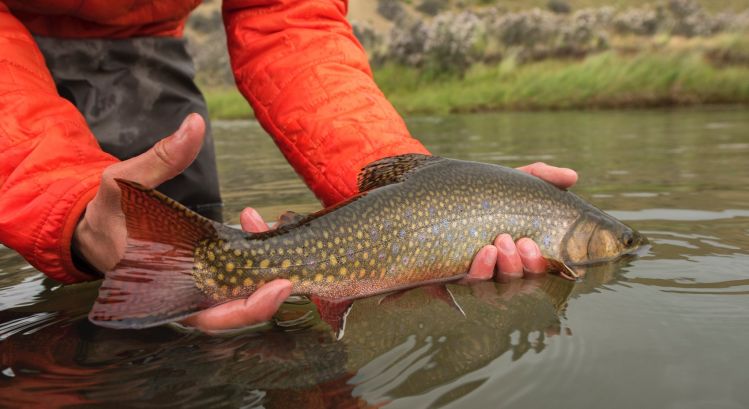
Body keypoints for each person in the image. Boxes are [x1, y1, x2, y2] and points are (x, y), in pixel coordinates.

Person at [0, 1, 577, 332]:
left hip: (144, 38)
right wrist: (67, 202)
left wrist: (419, 194)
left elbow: (289, 20)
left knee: (186, 295)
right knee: (92, 237)